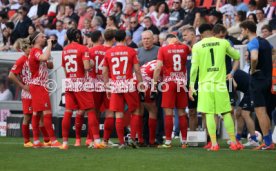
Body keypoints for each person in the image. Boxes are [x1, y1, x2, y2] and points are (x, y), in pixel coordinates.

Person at [189, 24, 240, 151]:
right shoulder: (223, 42)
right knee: (226, 112)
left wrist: (191, 86)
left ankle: (214, 144)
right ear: (212, 31)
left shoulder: (197, 46)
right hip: (221, 83)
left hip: (205, 85)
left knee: (209, 114)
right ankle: (233, 142)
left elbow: (194, 68)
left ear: (200, 35)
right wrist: (231, 72)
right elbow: (237, 57)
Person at [59, 28, 102, 150]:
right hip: (81, 81)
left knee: (68, 112)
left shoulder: (65, 50)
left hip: (69, 81)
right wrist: (92, 63)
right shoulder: (83, 48)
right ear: (78, 37)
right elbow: (87, 66)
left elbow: (65, 69)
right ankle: (97, 141)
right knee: (91, 110)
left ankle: (65, 143)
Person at [103, 30, 144, 149]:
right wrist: (140, 84)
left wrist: (107, 86)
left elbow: (105, 71)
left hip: (115, 85)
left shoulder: (109, 52)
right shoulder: (131, 51)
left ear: (114, 39)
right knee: (135, 111)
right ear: (125, 38)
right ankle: (132, 138)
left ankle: (121, 142)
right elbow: (137, 70)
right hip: (129, 84)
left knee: (118, 114)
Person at [240, 20, 275, 150]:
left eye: (242, 30)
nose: (242, 32)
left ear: (247, 30)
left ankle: (267, 142)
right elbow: (274, 52)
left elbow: (254, 57)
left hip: (258, 80)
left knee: (260, 112)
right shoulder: (265, 41)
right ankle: (268, 141)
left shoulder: (253, 42)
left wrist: (253, 68)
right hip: (268, 79)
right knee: (265, 112)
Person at [153, 34, 190, 148]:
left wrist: (154, 84)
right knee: (182, 112)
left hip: (169, 83)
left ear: (167, 40)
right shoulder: (184, 48)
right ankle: (184, 141)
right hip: (181, 83)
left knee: (168, 113)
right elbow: (192, 49)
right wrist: (181, 43)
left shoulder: (163, 49)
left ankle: (168, 141)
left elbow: (158, 67)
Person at [28, 31, 61, 148]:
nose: (45, 38)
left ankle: (36, 141)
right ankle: (53, 140)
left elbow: (50, 65)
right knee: (46, 113)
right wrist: (49, 46)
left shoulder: (39, 52)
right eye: (42, 37)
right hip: (38, 85)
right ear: (36, 40)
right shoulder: (35, 51)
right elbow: (44, 57)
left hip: (39, 85)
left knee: (37, 113)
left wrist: (49, 55)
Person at [88, 29, 116, 147]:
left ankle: (92, 139)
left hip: (94, 83)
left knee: (94, 112)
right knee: (110, 112)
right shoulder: (112, 51)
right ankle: (105, 140)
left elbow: (87, 67)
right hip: (108, 84)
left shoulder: (91, 50)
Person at [233, 69, 259, 147]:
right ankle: (238, 138)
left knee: (245, 114)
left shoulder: (228, 72)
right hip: (249, 91)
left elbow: (233, 86)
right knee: (238, 113)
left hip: (253, 89)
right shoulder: (229, 70)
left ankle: (254, 139)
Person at [182, 26, 198, 136]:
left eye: (185, 35)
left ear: (192, 35)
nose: (183, 38)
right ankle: (193, 137)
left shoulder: (200, 48)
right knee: (192, 111)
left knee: (206, 112)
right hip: (188, 85)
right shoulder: (184, 50)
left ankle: (209, 138)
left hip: (201, 83)